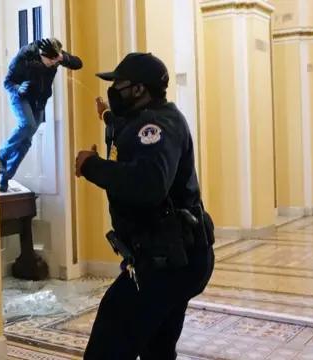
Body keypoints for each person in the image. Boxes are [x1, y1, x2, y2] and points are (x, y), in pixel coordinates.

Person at [74, 52, 215, 359]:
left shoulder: (156, 126)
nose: (114, 90)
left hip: (165, 262)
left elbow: (148, 184)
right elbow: (129, 132)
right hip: (180, 257)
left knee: (108, 343)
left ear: (139, 90)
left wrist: (91, 165)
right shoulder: (156, 116)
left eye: (119, 84)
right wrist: (107, 116)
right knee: (158, 348)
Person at [0, 38, 83, 192]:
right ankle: (0, 156)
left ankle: (5, 178)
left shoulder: (56, 56)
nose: (52, 63)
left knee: (26, 142)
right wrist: (18, 88)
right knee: (27, 125)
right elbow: (7, 82)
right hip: (20, 96)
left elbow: (78, 64)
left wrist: (62, 58)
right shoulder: (25, 56)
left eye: (55, 60)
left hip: (39, 102)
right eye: (49, 60)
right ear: (40, 54)